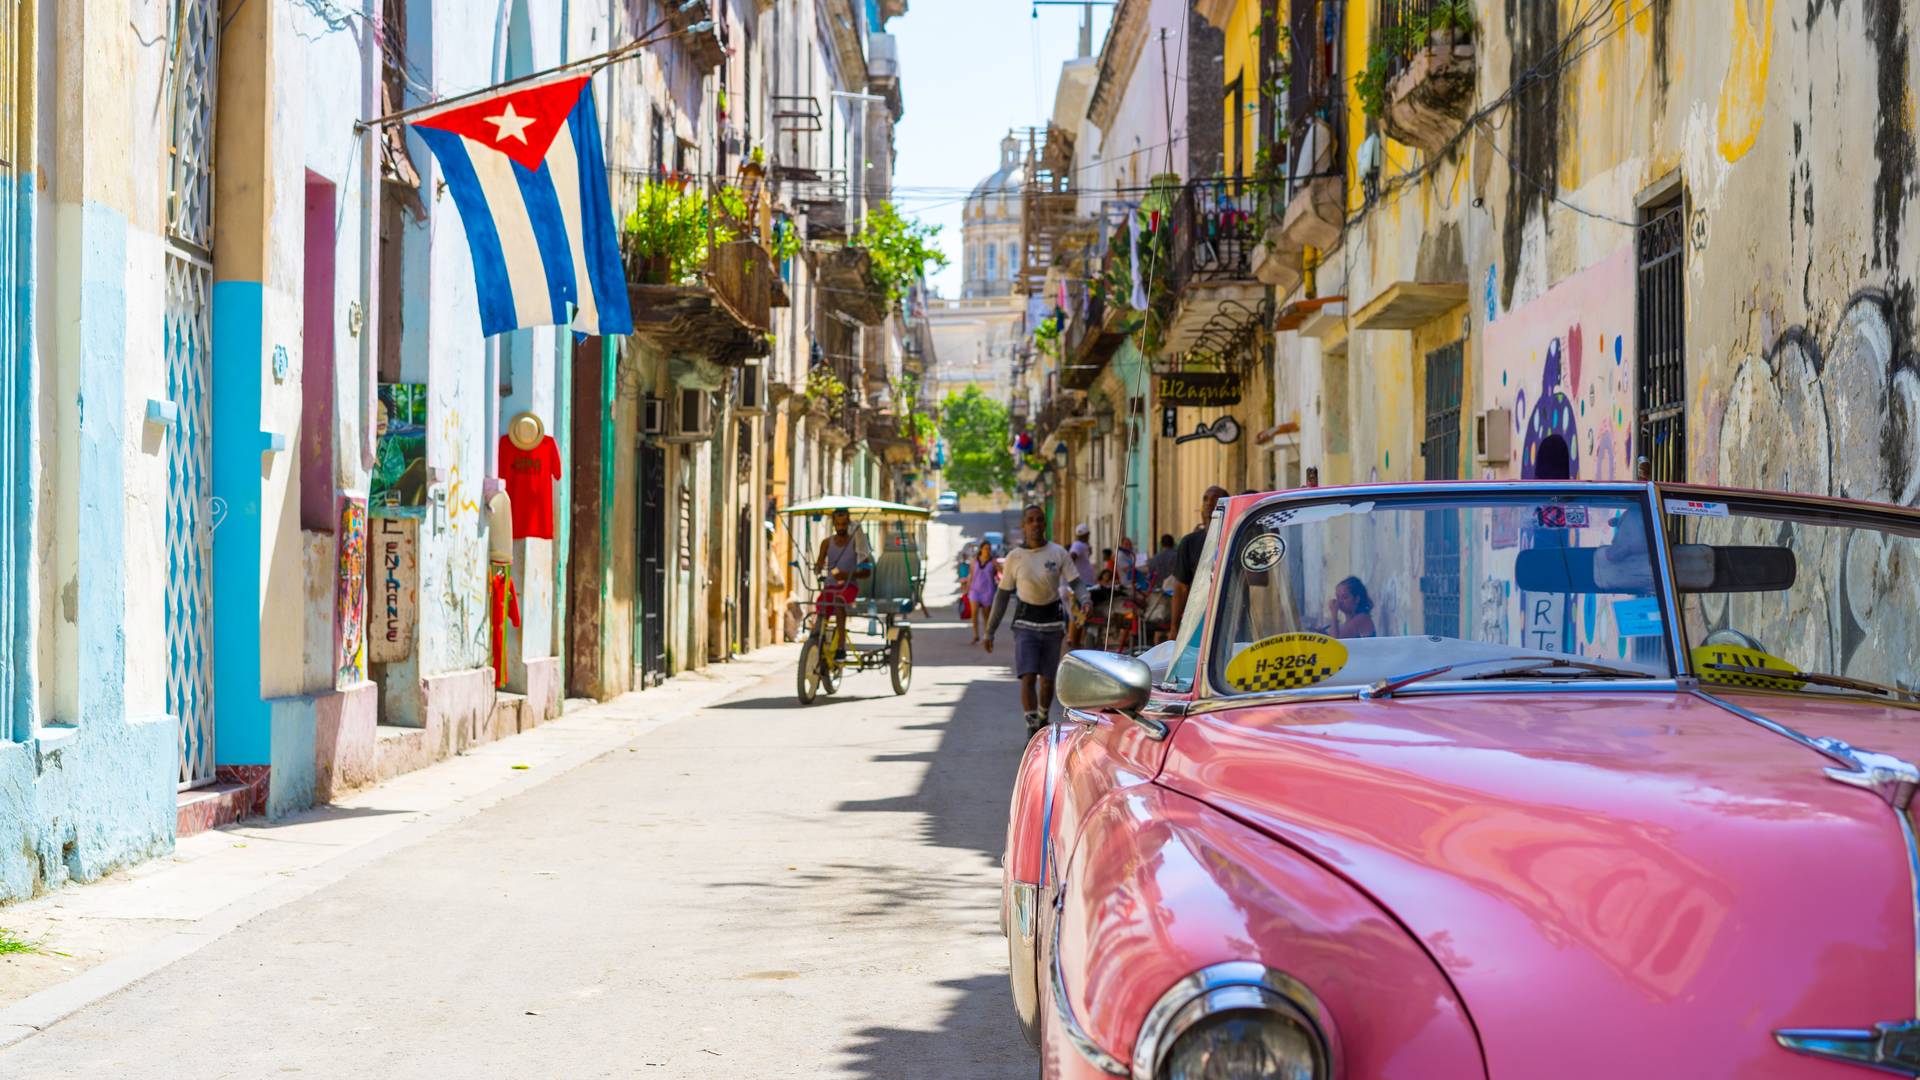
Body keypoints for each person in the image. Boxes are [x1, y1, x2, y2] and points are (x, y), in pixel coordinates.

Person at [987, 504, 1090, 736]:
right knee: (1028, 676)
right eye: (1030, 520)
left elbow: (1076, 582)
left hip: (1052, 624)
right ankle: (1031, 725)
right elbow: (1002, 596)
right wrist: (990, 630)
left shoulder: (1058, 553)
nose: (1035, 524)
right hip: (1025, 624)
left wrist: (1085, 599)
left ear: (1045, 524)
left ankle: (1043, 716)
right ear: (1023, 526)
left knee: (1046, 680)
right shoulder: (1015, 557)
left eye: (1039, 520)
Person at [813, 508, 872, 659]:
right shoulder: (826, 543)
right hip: (831, 586)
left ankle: (841, 646)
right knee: (821, 605)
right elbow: (819, 563)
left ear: (848, 523)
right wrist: (818, 568)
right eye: (837, 524)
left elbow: (867, 572)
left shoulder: (856, 543)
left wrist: (846, 575)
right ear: (833, 523)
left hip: (849, 587)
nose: (840, 527)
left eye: (844, 524)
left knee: (839, 602)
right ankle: (817, 640)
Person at [1171, 486, 1230, 628]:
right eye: (1205, 499)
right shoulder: (1189, 543)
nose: (1209, 503)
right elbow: (1181, 587)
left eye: (1215, 498)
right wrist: (1174, 627)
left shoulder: (1234, 539)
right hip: (1198, 619)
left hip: (1229, 617)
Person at [967, 538, 1000, 643]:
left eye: (989, 549)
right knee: (974, 612)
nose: (987, 550)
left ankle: (987, 635)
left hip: (988, 591)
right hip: (975, 590)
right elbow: (971, 575)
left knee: (986, 615)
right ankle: (975, 634)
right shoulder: (974, 561)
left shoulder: (993, 562)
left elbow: (1002, 572)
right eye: (986, 548)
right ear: (981, 549)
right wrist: (967, 586)